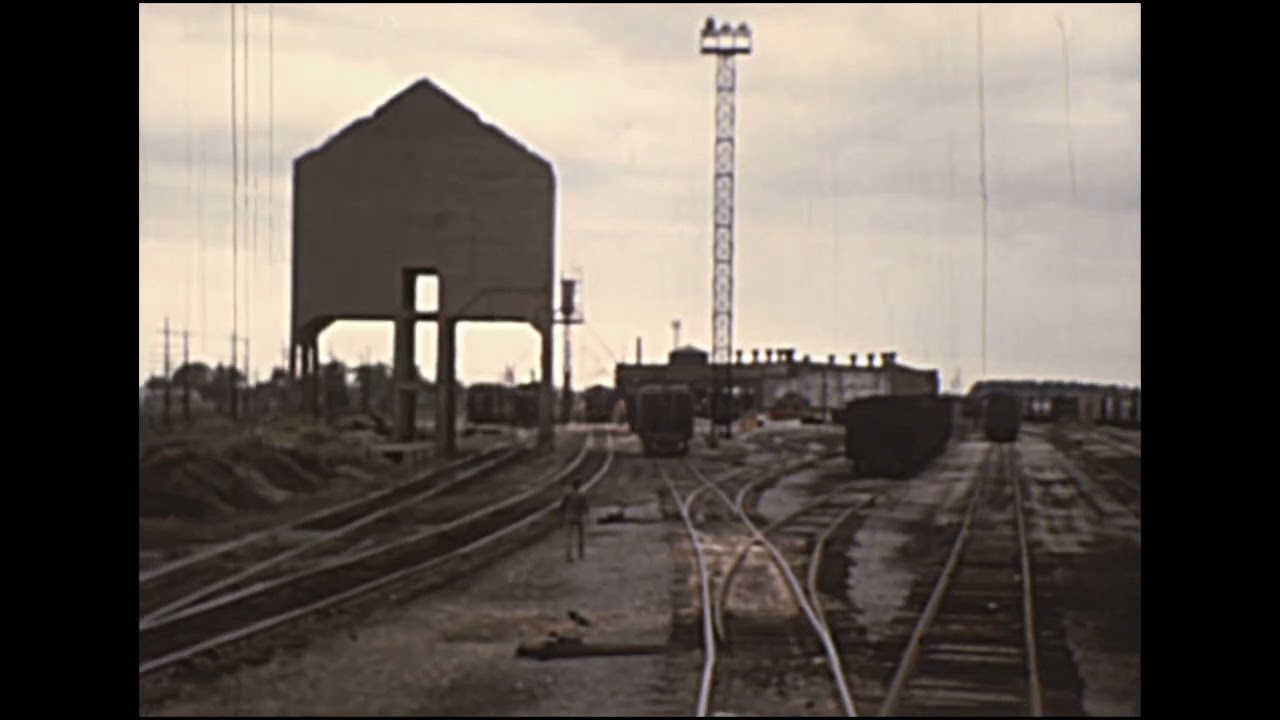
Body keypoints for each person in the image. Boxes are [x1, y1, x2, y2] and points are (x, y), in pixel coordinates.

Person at [560, 478, 589, 562]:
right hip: (579, 517)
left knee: (569, 536)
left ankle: (568, 555)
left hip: (569, 516)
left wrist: (563, 512)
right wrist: (587, 515)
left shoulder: (568, 495)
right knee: (581, 536)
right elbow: (585, 506)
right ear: (579, 486)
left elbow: (562, 505)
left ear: (572, 486)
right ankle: (581, 553)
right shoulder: (582, 495)